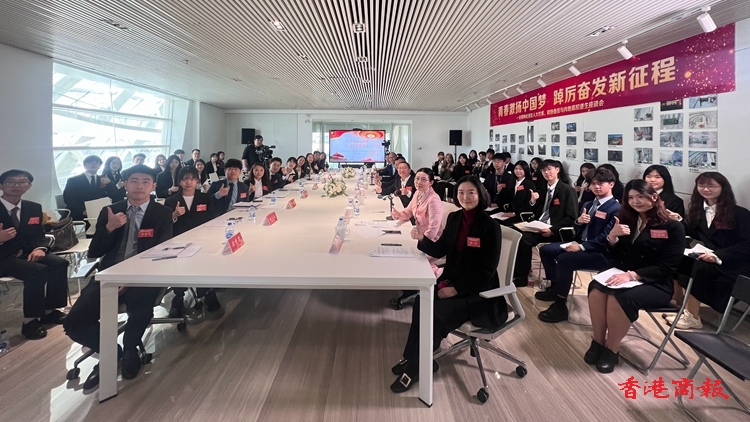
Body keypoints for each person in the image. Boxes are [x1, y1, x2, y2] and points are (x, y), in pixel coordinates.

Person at [391, 176, 508, 393]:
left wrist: (456, 289)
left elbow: (487, 271)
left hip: (478, 294)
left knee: (436, 314)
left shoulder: (490, 226)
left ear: (480, 194)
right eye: (461, 192)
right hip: (452, 282)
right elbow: (441, 249)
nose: (465, 197)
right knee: (421, 302)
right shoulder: (455, 218)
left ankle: (418, 366)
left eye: (471, 192)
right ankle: (413, 358)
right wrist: (422, 239)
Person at [63, 164, 174, 389]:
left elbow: (161, 253)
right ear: (124, 184)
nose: (139, 186)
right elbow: (95, 251)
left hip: (144, 275)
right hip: (109, 273)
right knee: (73, 322)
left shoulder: (162, 213)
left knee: (139, 308)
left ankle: (131, 349)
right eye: (134, 181)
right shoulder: (110, 211)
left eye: (145, 181)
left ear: (153, 186)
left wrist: (130, 278)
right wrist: (109, 228)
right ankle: (111, 352)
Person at [586, 179, 685, 373]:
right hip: (624, 275)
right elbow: (615, 256)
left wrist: (633, 275)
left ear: (654, 197)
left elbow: (668, 266)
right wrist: (612, 237)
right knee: (596, 288)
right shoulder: (627, 220)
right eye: (631, 198)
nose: (635, 201)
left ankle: (611, 349)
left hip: (656, 283)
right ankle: (598, 341)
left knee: (619, 297)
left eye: (640, 196)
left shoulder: (672, 226)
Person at [535, 168, 621, 322]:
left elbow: (606, 237)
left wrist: (581, 247)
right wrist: (579, 221)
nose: (596, 187)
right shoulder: (588, 204)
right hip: (580, 242)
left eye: (601, 183)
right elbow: (577, 228)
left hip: (601, 252)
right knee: (546, 250)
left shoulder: (616, 209)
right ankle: (555, 286)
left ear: (611, 184)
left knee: (565, 259)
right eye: (593, 183)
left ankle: (560, 304)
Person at [666, 172, 750, 329]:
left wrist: (717, 256)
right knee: (682, 262)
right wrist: (678, 220)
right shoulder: (699, 210)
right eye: (701, 185)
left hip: (735, 263)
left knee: (698, 269)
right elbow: (696, 233)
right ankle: (680, 307)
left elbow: (747, 244)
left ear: (723, 188)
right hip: (710, 258)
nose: (706, 189)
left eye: (711, 186)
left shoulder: (739, 213)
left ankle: (692, 317)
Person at [0, 170, 69, 340]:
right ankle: (30, 321)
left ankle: (49, 311)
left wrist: (40, 248)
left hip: (26, 253)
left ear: (29, 186)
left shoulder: (33, 207)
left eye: (22, 182)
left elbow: (38, 234)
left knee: (60, 263)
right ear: (1, 186)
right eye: (11, 182)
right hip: (3, 257)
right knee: (37, 271)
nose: (17, 186)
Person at [163, 167, 220, 318]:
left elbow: (212, 219)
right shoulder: (171, 201)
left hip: (202, 241)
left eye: (192, 178)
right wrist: (174, 215)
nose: (188, 182)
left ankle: (207, 291)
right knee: (179, 270)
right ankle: (178, 297)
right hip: (179, 242)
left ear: (197, 180)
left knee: (205, 266)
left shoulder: (205, 198)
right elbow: (164, 225)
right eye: (184, 179)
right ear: (179, 181)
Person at [512, 159, 577, 286]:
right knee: (514, 233)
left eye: (549, 169)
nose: (546, 173)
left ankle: (522, 276)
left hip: (557, 230)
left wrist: (552, 229)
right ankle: (515, 271)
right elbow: (535, 210)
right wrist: (533, 201)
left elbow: (571, 217)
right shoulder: (543, 189)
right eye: (543, 170)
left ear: (557, 170)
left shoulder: (567, 190)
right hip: (539, 225)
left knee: (523, 239)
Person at [390, 167, 444, 280]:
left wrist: (422, 243)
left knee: (409, 260)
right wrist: (399, 214)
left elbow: (433, 229)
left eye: (423, 179)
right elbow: (409, 211)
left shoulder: (433, 199)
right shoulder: (418, 193)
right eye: (417, 179)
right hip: (418, 237)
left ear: (431, 182)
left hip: (432, 242)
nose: (419, 182)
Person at [63, 155, 117, 222]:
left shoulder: (103, 179)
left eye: (96, 163)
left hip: (99, 213)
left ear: (100, 165)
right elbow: (68, 199)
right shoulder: (73, 180)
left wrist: (109, 183)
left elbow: (114, 194)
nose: (93, 164)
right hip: (79, 214)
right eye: (90, 162)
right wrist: (82, 210)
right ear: (84, 165)